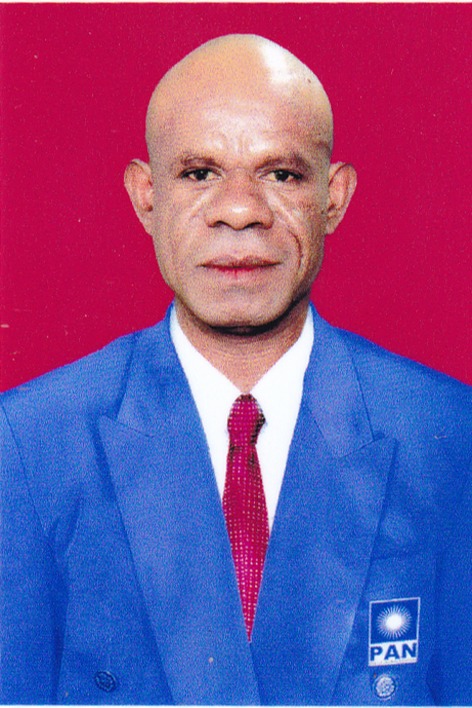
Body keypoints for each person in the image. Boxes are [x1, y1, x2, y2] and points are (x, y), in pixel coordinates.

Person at [1, 34, 471, 706]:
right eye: (200, 174)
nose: (241, 210)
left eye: (282, 174)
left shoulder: (450, 437)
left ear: (333, 197)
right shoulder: (27, 445)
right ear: (146, 196)